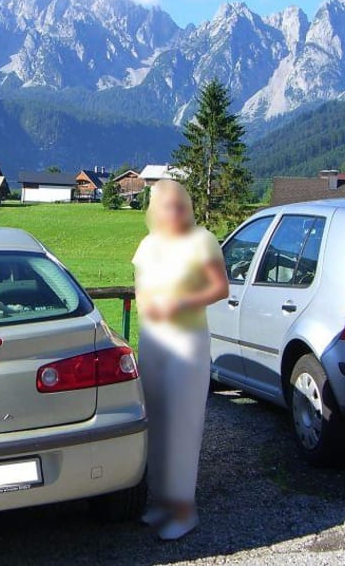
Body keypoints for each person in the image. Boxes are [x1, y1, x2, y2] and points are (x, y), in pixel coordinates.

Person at [132, 179, 230, 541]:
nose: (171, 211)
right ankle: (161, 502)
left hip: (187, 343)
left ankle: (184, 510)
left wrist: (181, 303)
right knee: (155, 423)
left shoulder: (201, 240)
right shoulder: (148, 245)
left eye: (177, 204)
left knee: (181, 427)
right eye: (164, 205)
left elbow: (221, 287)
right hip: (153, 341)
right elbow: (140, 287)